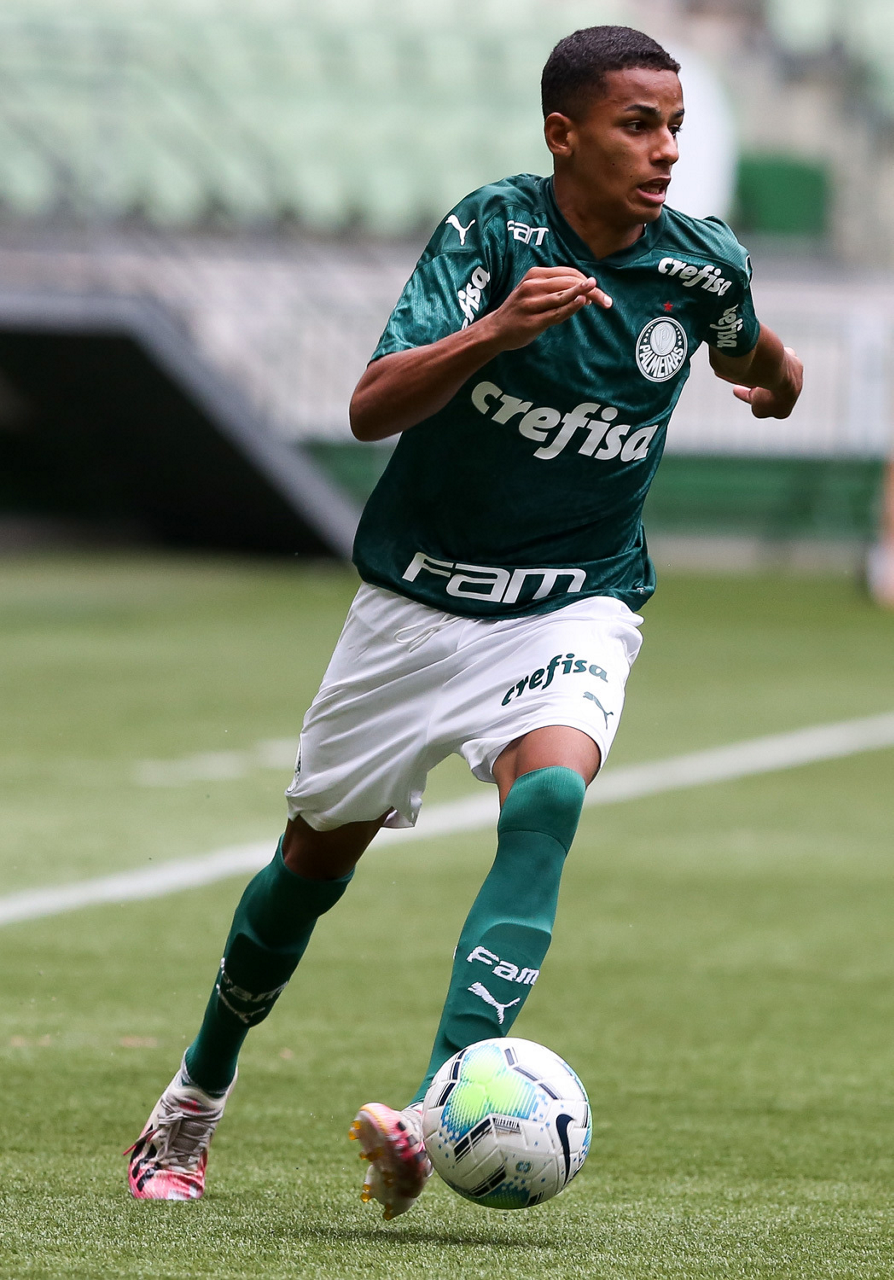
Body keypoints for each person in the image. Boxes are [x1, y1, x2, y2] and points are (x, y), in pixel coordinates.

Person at [126, 24, 802, 1216]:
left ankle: (434, 1109)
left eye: (676, 128)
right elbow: (369, 406)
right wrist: (496, 331)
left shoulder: (699, 266)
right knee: (310, 867)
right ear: (564, 134)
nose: (664, 150)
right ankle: (193, 1096)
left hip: (574, 603)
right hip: (415, 606)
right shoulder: (492, 234)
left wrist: (775, 382)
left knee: (548, 802)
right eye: (638, 125)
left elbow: (758, 351)